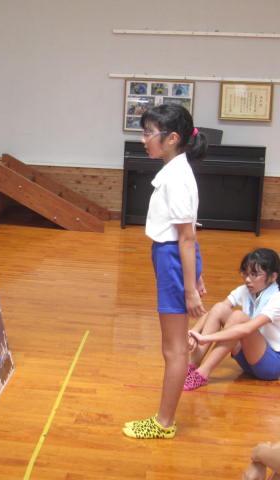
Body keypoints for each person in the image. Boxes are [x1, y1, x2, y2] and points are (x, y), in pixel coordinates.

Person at [122, 104, 208, 439]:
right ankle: (164, 420)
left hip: (173, 260)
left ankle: (163, 423)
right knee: (173, 346)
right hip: (171, 257)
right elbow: (188, 233)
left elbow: (186, 237)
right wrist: (196, 274)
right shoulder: (175, 171)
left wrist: (190, 288)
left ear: (171, 138)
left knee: (174, 349)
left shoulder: (178, 178)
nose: (144, 139)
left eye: (149, 133)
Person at [187, 248, 280, 390]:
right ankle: (192, 366)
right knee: (220, 308)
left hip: (270, 365)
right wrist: (194, 332)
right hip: (248, 360)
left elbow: (247, 329)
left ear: (273, 277)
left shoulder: (277, 298)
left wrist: (206, 338)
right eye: (245, 274)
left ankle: (202, 374)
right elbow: (214, 312)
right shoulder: (245, 290)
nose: (247, 279)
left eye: (254, 275)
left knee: (238, 317)